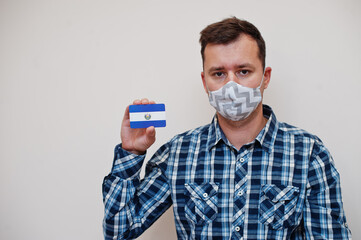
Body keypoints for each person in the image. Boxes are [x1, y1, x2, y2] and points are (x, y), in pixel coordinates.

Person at [102, 17, 352, 239]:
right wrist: (131, 153)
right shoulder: (178, 153)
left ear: (265, 77)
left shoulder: (309, 153)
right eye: (219, 73)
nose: (231, 86)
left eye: (244, 71)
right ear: (205, 81)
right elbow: (119, 230)